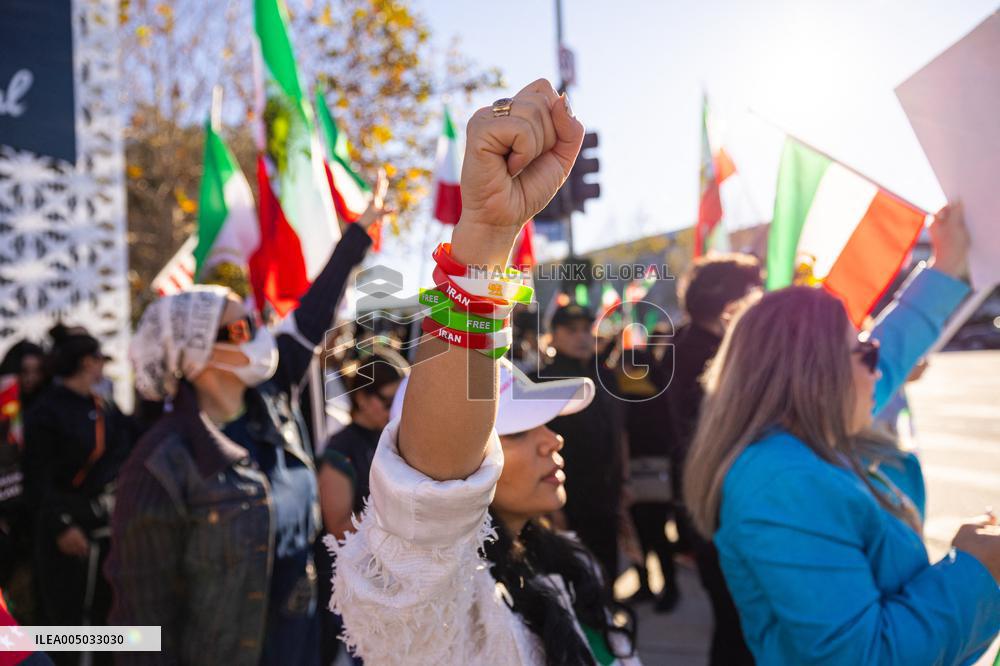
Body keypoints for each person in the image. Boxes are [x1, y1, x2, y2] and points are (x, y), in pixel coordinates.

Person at [330, 79, 639, 665]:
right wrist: (486, 236)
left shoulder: (563, 564)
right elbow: (432, 503)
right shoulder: (438, 615)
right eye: (515, 434)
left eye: (544, 423)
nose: (552, 440)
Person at [684, 205, 1000, 665]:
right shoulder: (782, 484)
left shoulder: (800, 439)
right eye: (863, 352)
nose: (880, 370)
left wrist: (945, 267)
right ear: (817, 375)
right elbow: (860, 656)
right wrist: (974, 569)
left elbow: (892, 349)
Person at [106, 209, 378, 665]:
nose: (258, 332)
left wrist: (359, 233)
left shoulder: (273, 398)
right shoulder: (158, 465)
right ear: (197, 357)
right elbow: (138, 625)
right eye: (241, 328)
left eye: (252, 319)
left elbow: (314, 313)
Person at [667, 253, 763, 665]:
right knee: (738, 623)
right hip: (721, 501)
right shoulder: (710, 355)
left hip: (705, 498)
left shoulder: (683, 344)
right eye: (753, 292)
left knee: (732, 620)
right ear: (731, 303)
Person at [22, 328, 133, 665]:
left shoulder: (104, 406)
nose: (103, 367)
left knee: (106, 619)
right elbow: (37, 479)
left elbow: (132, 442)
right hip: (65, 534)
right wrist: (61, 525)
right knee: (65, 623)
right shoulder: (46, 411)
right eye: (99, 359)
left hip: (104, 528)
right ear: (87, 362)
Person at [315, 348, 408, 664]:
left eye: (403, 401)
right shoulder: (341, 448)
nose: (397, 410)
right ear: (363, 398)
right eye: (389, 401)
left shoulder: (393, 439)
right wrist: (397, 513)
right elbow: (339, 528)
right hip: (356, 590)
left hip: (392, 584)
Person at [530, 303, 627, 583]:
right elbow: (535, 448)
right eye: (572, 330)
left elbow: (619, 432)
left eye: (586, 329)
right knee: (574, 578)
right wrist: (551, 507)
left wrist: (625, 482)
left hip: (607, 494)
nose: (582, 337)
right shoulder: (540, 381)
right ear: (554, 335)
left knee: (607, 571)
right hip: (565, 498)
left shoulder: (604, 376)